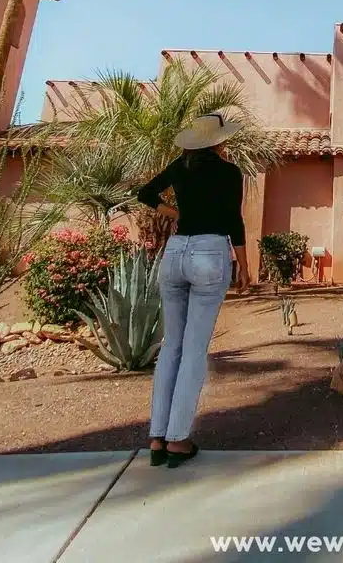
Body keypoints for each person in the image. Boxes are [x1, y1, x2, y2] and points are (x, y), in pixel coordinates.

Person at [137, 112, 250, 468]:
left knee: (172, 345)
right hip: (209, 253)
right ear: (219, 141)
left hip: (176, 251)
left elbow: (144, 193)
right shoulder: (230, 173)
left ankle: (157, 437)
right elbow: (234, 220)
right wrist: (243, 264)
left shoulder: (180, 166)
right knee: (194, 349)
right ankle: (178, 439)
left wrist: (173, 212)